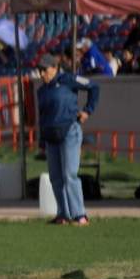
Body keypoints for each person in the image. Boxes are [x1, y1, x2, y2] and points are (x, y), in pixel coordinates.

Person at [36, 53, 101, 226]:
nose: (41, 74)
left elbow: (94, 87)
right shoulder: (42, 91)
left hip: (69, 131)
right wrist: (41, 140)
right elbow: (41, 116)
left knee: (69, 174)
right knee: (55, 177)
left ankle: (80, 214)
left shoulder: (68, 79)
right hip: (51, 136)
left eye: (44, 70)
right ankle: (63, 214)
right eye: (39, 70)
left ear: (54, 68)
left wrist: (87, 110)